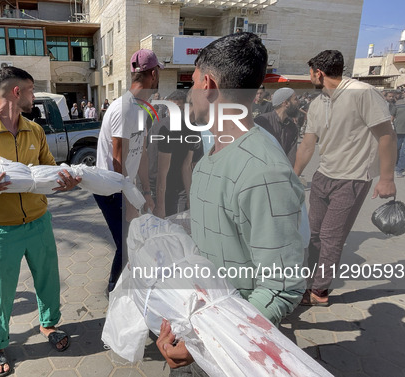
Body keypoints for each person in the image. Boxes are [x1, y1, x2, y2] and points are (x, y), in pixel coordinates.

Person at [156, 33, 306, 376]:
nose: (189, 92)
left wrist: (207, 343)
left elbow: (281, 287)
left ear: (208, 84)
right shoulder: (213, 154)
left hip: (229, 348)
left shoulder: (263, 171)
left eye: (191, 82)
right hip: (201, 322)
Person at [0, 67, 81, 376]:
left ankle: (48, 325)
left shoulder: (34, 131)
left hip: (39, 221)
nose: (33, 96)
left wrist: (63, 181)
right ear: (16, 92)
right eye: (30, 90)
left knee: (48, 280)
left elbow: (49, 170)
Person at [294, 50, 397, 306]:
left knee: (331, 237)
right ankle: (306, 281)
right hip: (323, 176)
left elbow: (386, 135)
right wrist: (294, 175)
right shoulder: (318, 103)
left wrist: (386, 178)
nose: (309, 78)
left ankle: (319, 292)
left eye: (310, 73)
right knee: (314, 234)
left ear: (319, 72)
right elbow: (308, 144)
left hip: (352, 179)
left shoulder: (362, 93)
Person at [94, 48, 160, 292]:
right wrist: (128, 199)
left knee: (131, 240)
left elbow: (140, 154)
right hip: (110, 189)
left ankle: (126, 287)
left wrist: (148, 191)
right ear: (152, 74)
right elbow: (118, 156)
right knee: (126, 242)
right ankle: (114, 290)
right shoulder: (124, 108)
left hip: (124, 187)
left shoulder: (140, 109)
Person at [153, 90, 202, 218]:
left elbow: (187, 166)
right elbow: (160, 171)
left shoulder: (193, 129)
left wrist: (190, 196)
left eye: (178, 108)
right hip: (158, 188)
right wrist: (160, 206)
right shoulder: (164, 127)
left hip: (179, 188)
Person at [255, 87, 300, 165]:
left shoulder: (292, 127)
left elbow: (291, 157)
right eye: (295, 99)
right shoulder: (261, 122)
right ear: (285, 103)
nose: (298, 102)